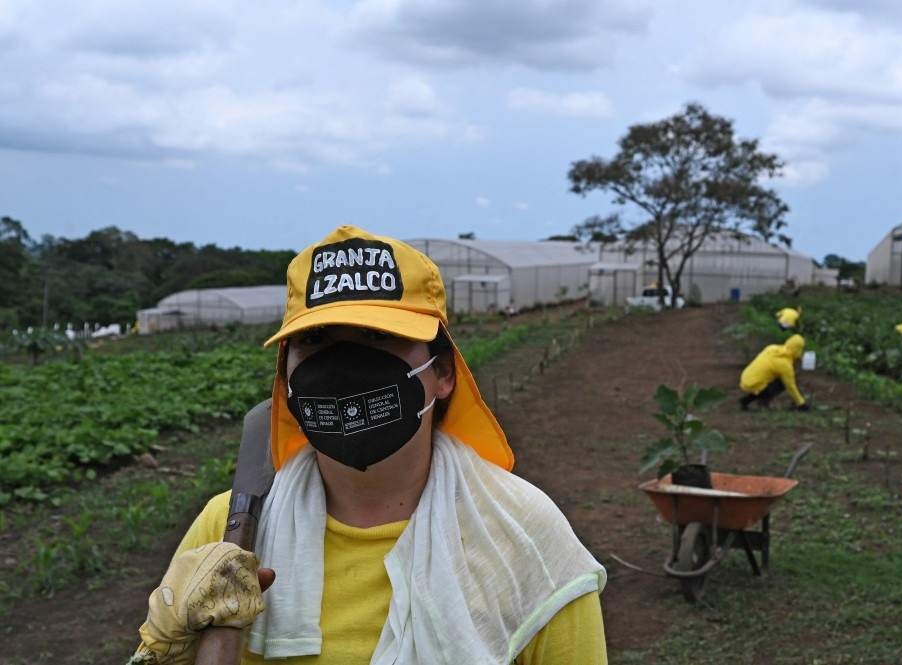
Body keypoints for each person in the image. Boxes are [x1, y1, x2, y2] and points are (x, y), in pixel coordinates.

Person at [129, 226, 607, 665]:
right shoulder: (232, 527)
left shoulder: (522, 534)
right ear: (285, 375)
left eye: (379, 337)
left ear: (442, 374)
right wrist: (161, 650)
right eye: (315, 340)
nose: (343, 365)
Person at [738, 334, 810, 411]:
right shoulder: (784, 365)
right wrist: (801, 403)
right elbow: (790, 387)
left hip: (745, 379)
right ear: (798, 349)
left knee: (768, 380)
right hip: (753, 384)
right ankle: (763, 402)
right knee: (782, 383)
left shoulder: (772, 348)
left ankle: (746, 400)